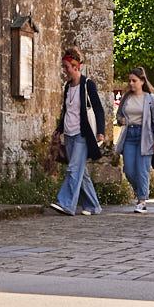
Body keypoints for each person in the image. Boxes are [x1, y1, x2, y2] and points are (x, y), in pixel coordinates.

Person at [49, 47, 106, 216]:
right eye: (64, 67)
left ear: (76, 66)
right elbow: (67, 111)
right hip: (69, 134)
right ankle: (93, 206)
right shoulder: (67, 86)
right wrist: (59, 129)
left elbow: (98, 110)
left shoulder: (88, 84)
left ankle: (66, 203)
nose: (64, 70)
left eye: (67, 67)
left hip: (83, 135)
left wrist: (100, 132)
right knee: (82, 172)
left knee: (73, 169)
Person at [117, 67, 154, 212]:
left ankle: (142, 201)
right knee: (129, 170)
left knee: (143, 170)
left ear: (142, 81)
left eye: (134, 81)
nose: (131, 83)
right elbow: (119, 115)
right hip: (129, 135)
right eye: (129, 80)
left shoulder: (151, 99)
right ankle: (141, 193)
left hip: (145, 136)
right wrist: (121, 120)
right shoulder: (126, 98)